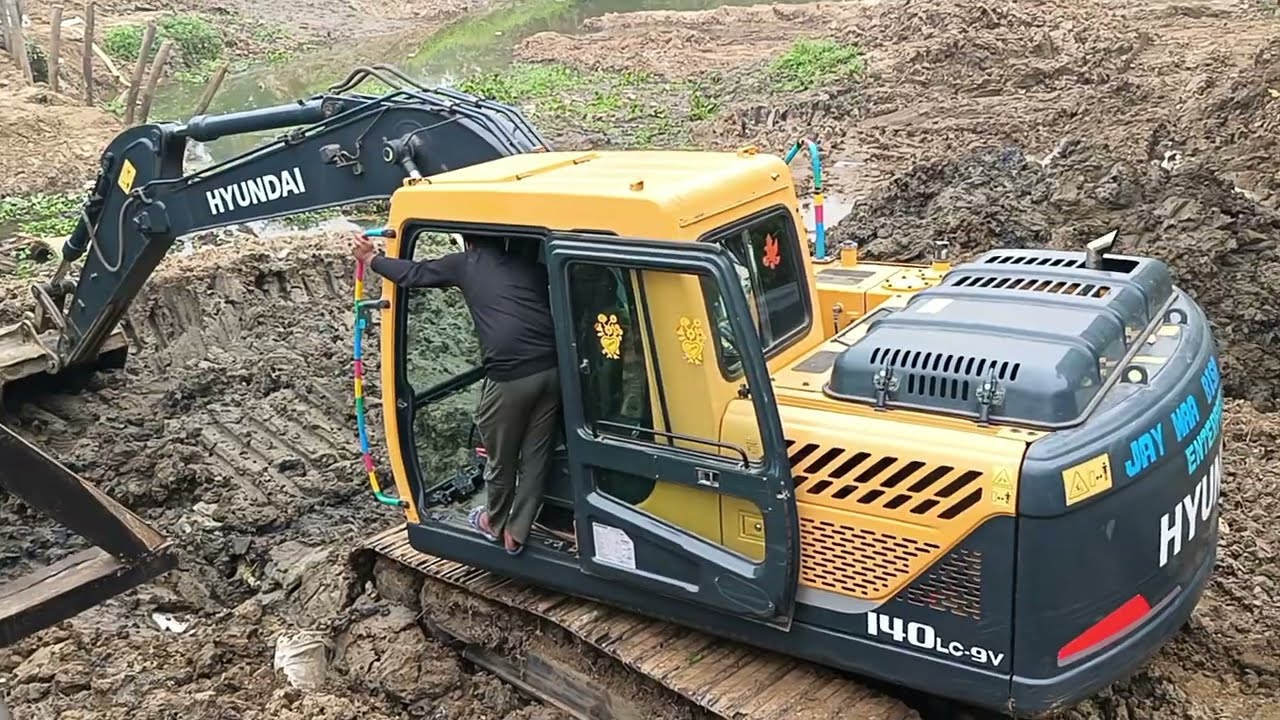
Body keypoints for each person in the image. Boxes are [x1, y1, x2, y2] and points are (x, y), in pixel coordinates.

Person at [352, 233, 560, 556]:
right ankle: (517, 531)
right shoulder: (529, 267)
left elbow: (414, 274)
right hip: (552, 370)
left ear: (468, 242)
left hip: (511, 376)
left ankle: (494, 523)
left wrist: (370, 259)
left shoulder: (467, 263)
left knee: (500, 455)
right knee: (536, 455)